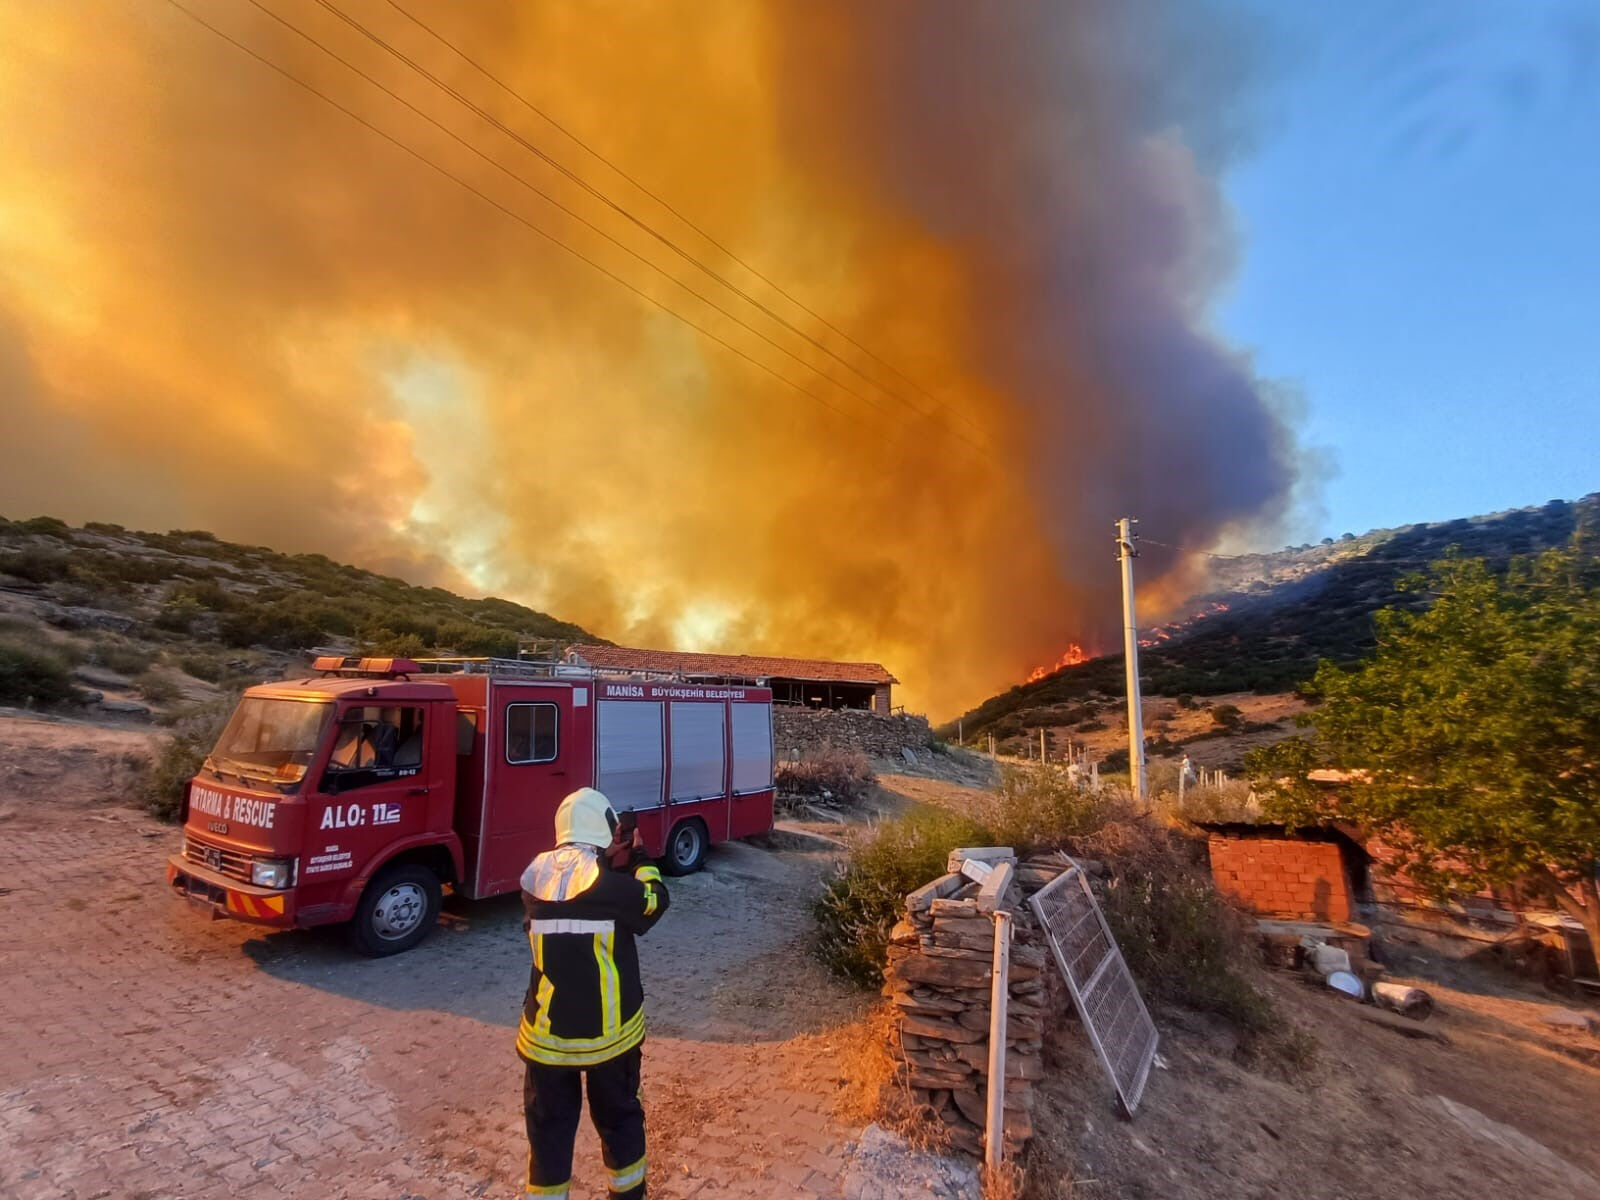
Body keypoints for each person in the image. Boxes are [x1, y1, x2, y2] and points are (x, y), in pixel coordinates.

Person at [517, 787, 669, 1198]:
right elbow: (655, 901)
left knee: (548, 1140)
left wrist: (607, 857)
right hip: (610, 1041)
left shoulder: (534, 883)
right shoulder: (614, 892)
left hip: (546, 1043)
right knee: (620, 1125)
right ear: (604, 829)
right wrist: (638, 858)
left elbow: (578, 891)